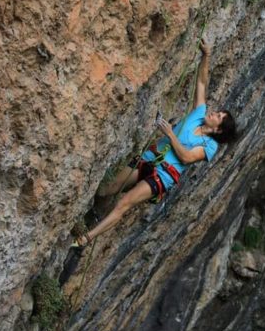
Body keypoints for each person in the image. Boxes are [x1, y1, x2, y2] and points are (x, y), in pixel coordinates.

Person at [72, 39, 236, 247]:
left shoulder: (210, 146)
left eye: (219, 116)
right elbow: (202, 83)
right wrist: (207, 55)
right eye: (218, 111)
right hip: (149, 158)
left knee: (125, 202)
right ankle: (93, 215)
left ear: (218, 129)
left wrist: (169, 133)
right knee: (107, 188)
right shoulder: (199, 113)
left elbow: (186, 157)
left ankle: (85, 239)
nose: (214, 112)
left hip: (163, 175)